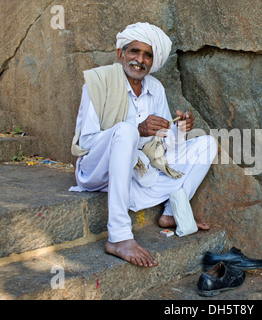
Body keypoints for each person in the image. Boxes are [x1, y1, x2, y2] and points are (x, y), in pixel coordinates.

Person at [70, 22, 217, 268]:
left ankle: (172, 212)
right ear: (121, 54)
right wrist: (136, 131)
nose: (140, 60)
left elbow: (165, 144)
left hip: (139, 173)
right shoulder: (98, 82)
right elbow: (86, 142)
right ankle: (118, 237)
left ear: (152, 60)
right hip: (97, 170)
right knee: (126, 130)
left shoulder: (155, 89)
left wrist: (180, 130)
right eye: (134, 52)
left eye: (147, 55)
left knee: (208, 143)